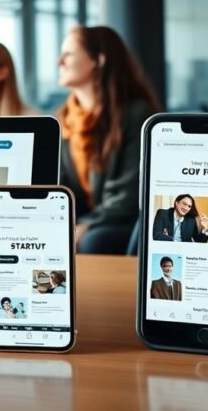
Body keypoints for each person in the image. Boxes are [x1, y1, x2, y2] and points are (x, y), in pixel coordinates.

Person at [56, 26, 162, 254]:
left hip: (126, 220)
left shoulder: (136, 114)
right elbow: (60, 187)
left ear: (98, 60)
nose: (59, 62)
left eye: (68, 54)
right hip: (87, 218)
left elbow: (129, 196)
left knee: (94, 241)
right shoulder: (64, 119)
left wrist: (86, 225)